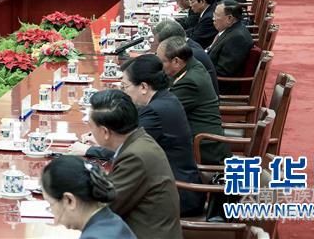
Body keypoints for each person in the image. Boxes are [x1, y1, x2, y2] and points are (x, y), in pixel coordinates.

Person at [69, 90, 183, 238]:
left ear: (105, 132)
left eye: (90, 125)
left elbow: (103, 208)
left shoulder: (135, 157)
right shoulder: (140, 140)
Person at [117, 56, 204, 217]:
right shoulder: (166, 98)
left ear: (143, 87)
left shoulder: (155, 111)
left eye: (125, 86)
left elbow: (127, 149)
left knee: (115, 205)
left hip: (177, 193)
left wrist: (90, 148)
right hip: (175, 185)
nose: (124, 92)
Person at [156, 36, 230, 166]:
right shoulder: (192, 65)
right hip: (194, 138)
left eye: (161, 62)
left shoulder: (191, 81)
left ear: (176, 61)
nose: (159, 66)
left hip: (204, 148)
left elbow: (162, 110)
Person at [40, 155, 137, 238]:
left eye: (50, 204)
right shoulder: (112, 220)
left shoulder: (93, 237)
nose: (54, 216)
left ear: (69, 200)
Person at [152, 19, 219, 95]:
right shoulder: (189, 45)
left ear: (171, 42)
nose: (156, 47)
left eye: (158, 44)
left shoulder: (190, 54)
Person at [208, 0, 254, 78]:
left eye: (216, 15)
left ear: (229, 18)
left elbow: (222, 71)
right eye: (214, 14)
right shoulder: (232, 29)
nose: (213, 18)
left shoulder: (237, 38)